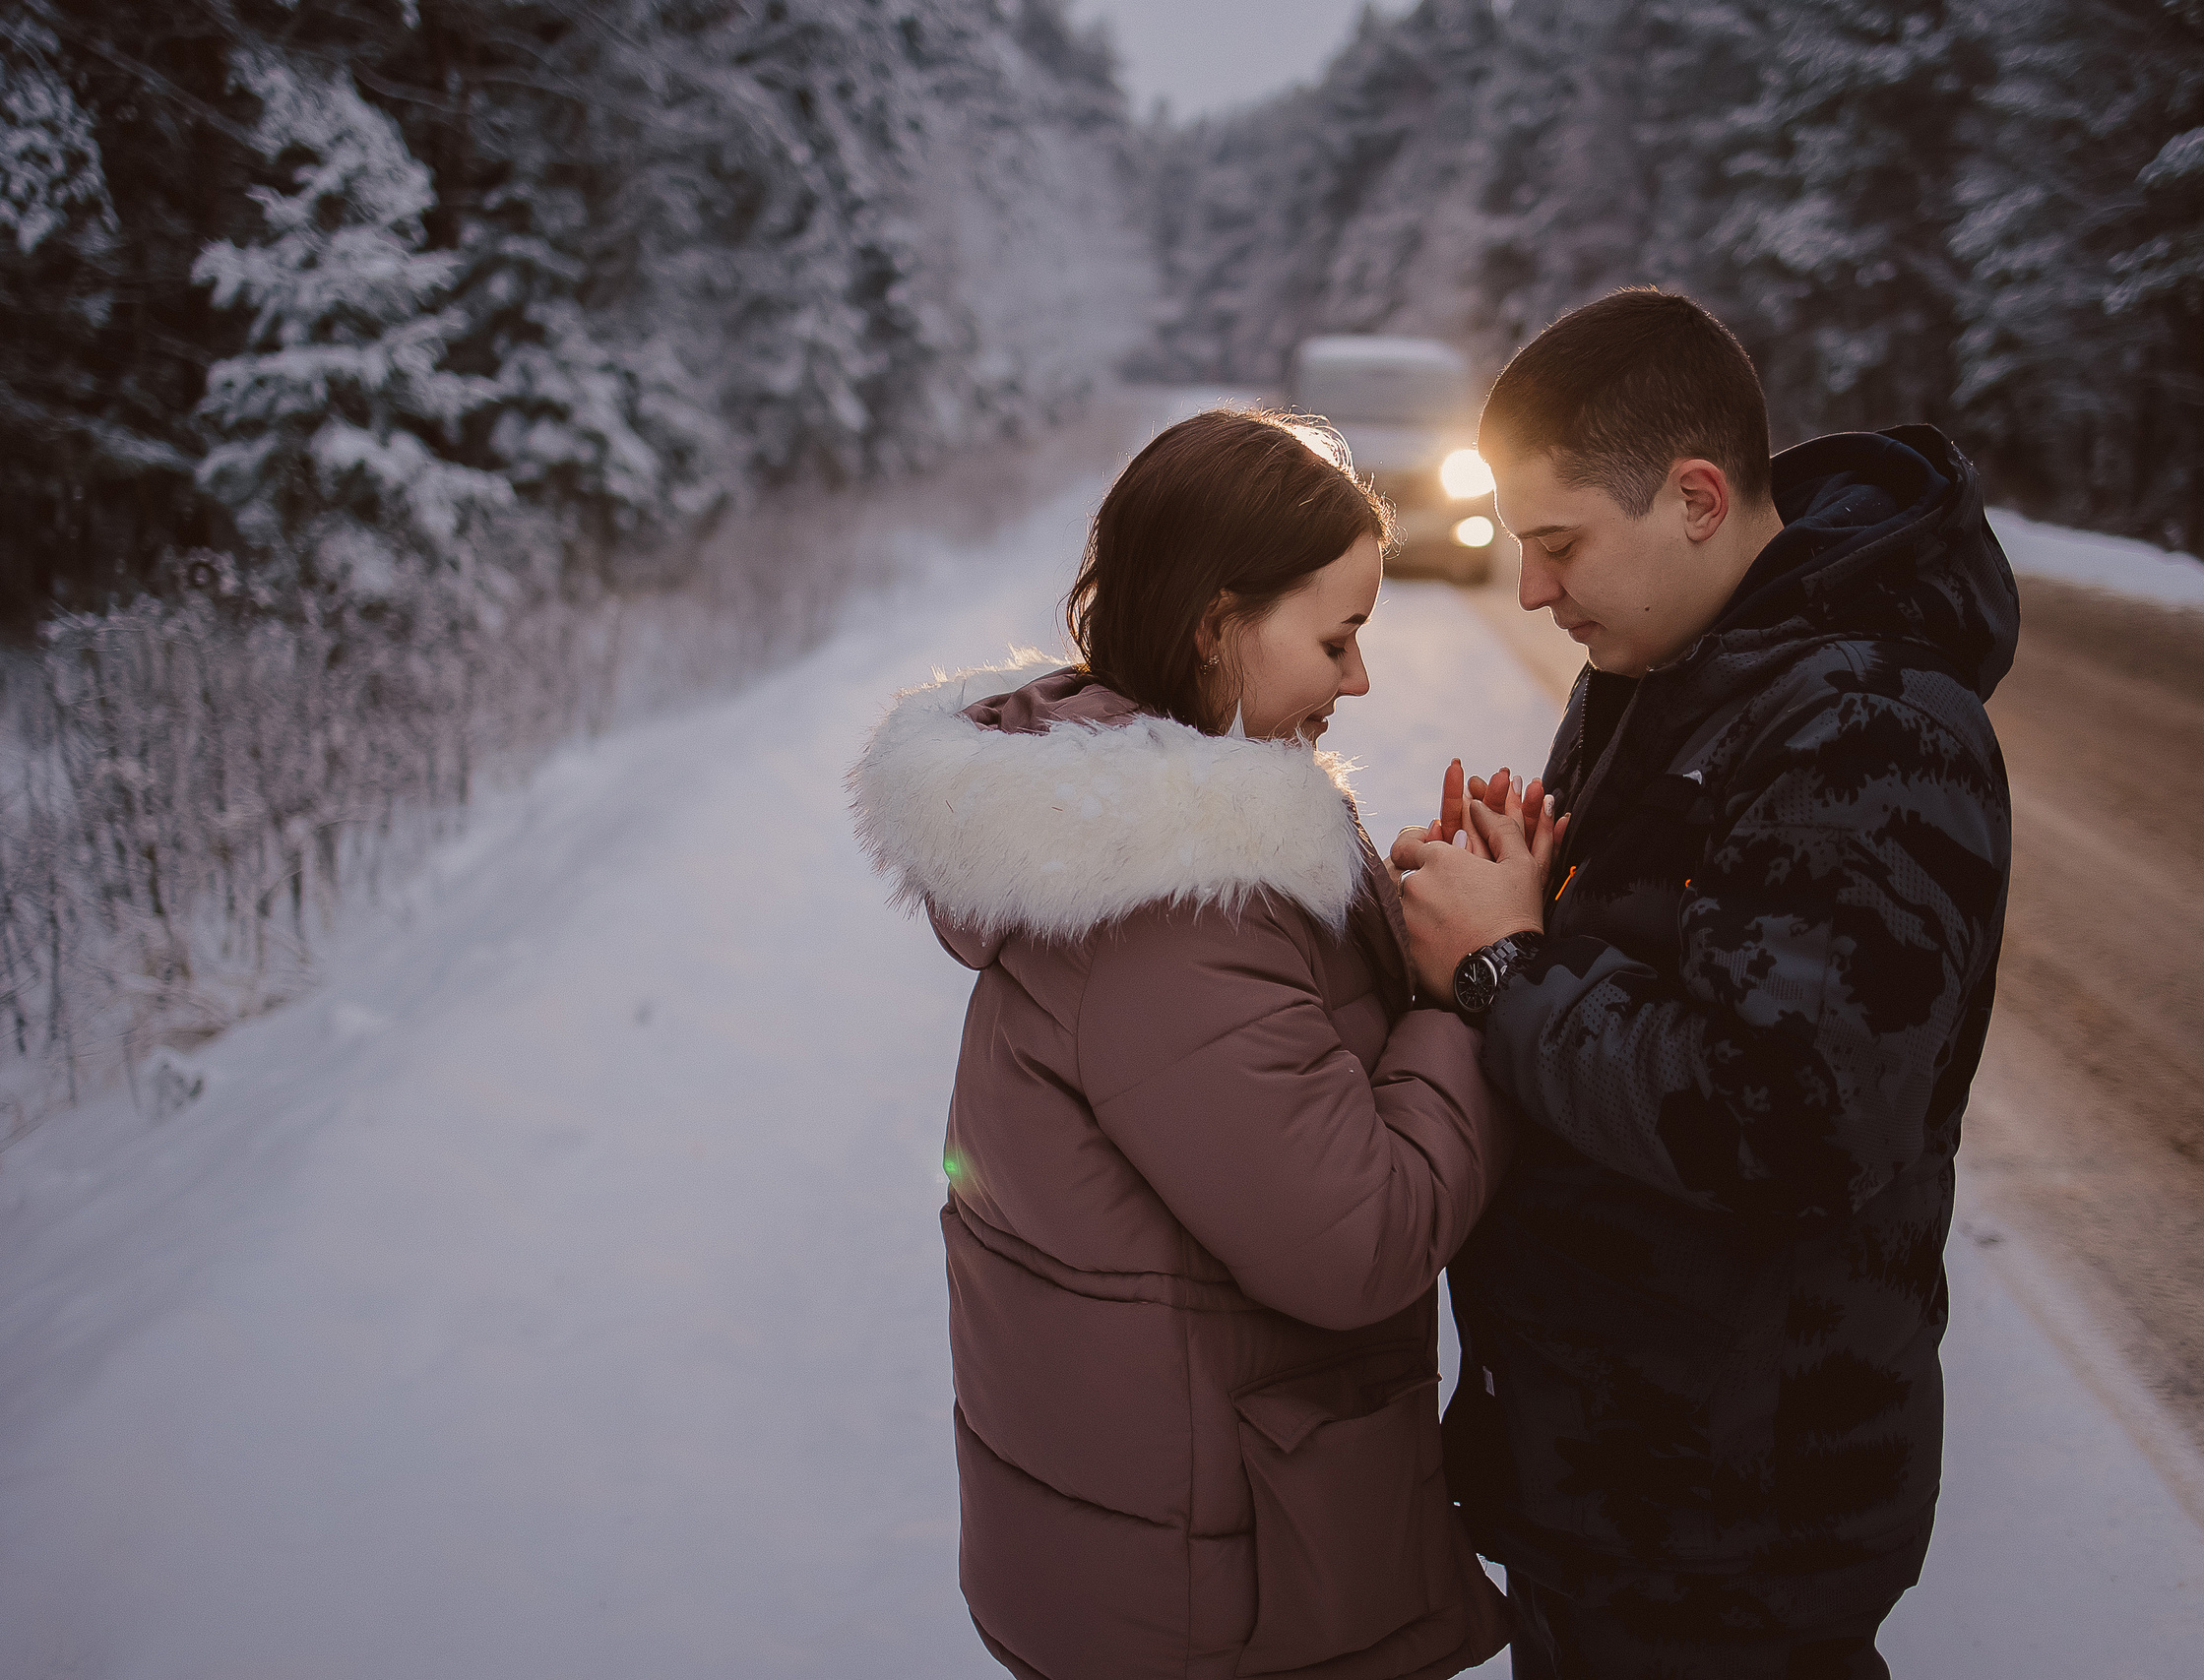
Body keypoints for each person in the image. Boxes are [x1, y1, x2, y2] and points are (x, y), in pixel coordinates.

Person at [850, 408, 1551, 1680]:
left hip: (1178, 1549)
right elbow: (1362, 1239)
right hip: (1215, 1600)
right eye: (1336, 639)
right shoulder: (1170, 906)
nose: (1359, 679)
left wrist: (1406, 926)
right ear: (1218, 627)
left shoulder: (1138, 822)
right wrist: (1467, 992)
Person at [1393, 288, 2018, 1678]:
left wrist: (1503, 966)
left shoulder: (1868, 727)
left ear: (1694, 498)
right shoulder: (1667, 669)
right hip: (1616, 1482)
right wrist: (1503, 899)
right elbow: (1640, 971)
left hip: (1732, 1528)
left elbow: (1788, 1122)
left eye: (1559, 544)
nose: (1531, 589)